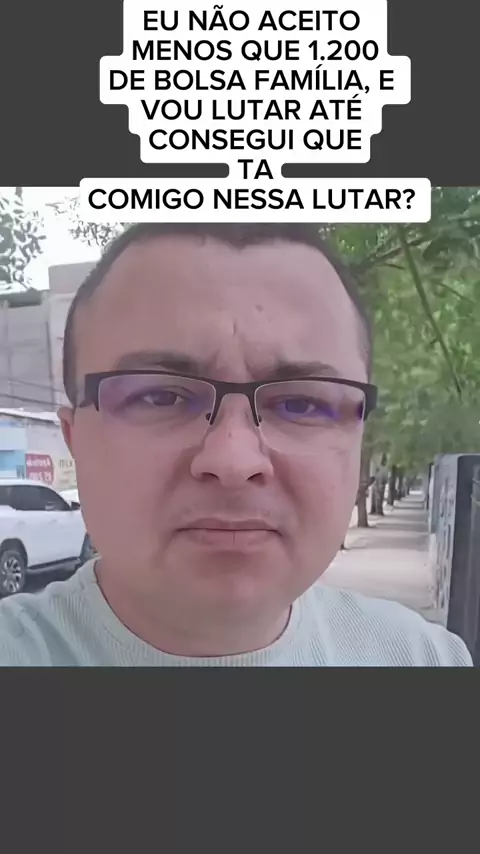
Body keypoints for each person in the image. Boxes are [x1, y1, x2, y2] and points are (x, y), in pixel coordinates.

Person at [0, 223, 472, 666]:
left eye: (301, 404)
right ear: (75, 439)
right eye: (161, 396)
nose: (233, 460)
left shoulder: (425, 658)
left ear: (359, 442)